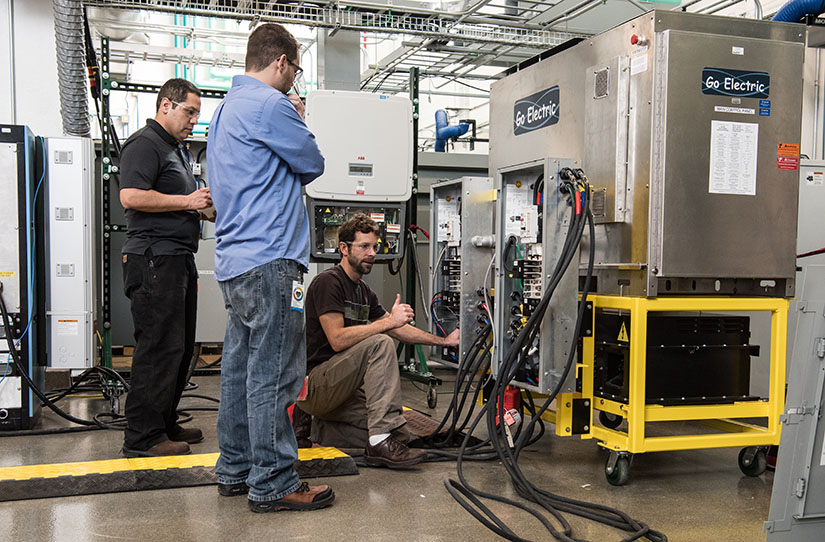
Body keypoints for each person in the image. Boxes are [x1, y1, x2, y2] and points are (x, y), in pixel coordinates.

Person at [207, 23, 333, 513]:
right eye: (295, 71)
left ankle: (235, 469)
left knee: (239, 372)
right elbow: (313, 161)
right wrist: (299, 116)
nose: (294, 81)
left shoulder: (223, 113)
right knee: (275, 375)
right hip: (273, 260)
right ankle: (275, 482)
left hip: (234, 263)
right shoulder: (272, 105)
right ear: (280, 61)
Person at [298, 214, 460, 468]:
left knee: (400, 434)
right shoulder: (328, 283)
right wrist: (387, 324)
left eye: (375, 246)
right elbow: (337, 340)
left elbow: (400, 330)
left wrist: (445, 342)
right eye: (364, 246)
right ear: (344, 248)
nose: (372, 253)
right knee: (380, 343)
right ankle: (378, 442)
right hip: (317, 384)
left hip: (342, 393)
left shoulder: (364, 292)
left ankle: (322, 431)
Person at [119, 78, 212, 457]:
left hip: (176, 259)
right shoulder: (145, 144)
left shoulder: (174, 149)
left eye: (196, 114)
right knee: (158, 348)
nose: (193, 120)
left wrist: (202, 208)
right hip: (154, 258)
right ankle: (143, 436)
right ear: (165, 106)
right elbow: (131, 195)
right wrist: (188, 202)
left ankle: (164, 422)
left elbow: (181, 200)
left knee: (179, 347)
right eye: (189, 112)